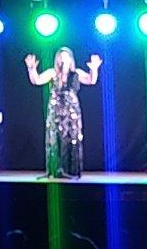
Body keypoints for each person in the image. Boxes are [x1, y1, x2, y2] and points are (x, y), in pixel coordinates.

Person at [25, 47, 101, 179]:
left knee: (72, 138)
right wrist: (31, 69)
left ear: (71, 59)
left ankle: (70, 170)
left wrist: (94, 69)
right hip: (55, 111)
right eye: (61, 56)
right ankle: (54, 170)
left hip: (71, 111)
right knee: (54, 139)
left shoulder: (76, 73)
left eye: (66, 56)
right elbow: (36, 80)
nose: (63, 59)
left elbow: (91, 80)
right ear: (57, 59)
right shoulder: (52, 72)